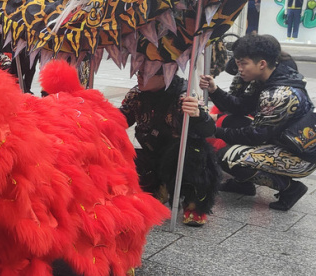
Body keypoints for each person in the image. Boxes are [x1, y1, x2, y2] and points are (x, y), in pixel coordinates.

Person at [200, 34, 313, 211]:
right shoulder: (269, 77)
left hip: (299, 156)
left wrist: (213, 130)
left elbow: (254, 136)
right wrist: (214, 90)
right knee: (233, 121)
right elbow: (240, 107)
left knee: (227, 157)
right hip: (280, 139)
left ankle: (290, 188)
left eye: (243, 63)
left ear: (261, 64)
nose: (239, 69)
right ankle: (243, 183)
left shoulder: (279, 94)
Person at [120, 69, 219, 226]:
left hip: (182, 156)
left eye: (146, 73)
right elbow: (121, 119)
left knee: (194, 157)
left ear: (165, 76)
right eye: (139, 72)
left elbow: (209, 130)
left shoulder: (184, 95)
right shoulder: (136, 94)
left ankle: (193, 205)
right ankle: (161, 187)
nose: (139, 77)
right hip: (151, 150)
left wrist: (198, 115)